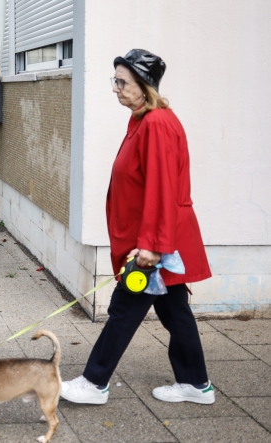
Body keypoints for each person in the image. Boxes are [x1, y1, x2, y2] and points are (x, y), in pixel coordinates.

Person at [60, 49, 215, 406]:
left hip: (154, 246)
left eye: (122, 82)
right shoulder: (144, 119)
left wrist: (152, 247)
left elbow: (162, 189)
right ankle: (196, 383)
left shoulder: (157, 124)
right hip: (156, 239)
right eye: (114, 80)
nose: (115, 88)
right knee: (175, 310)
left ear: (144, 86)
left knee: (124, 309)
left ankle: (94, 383)